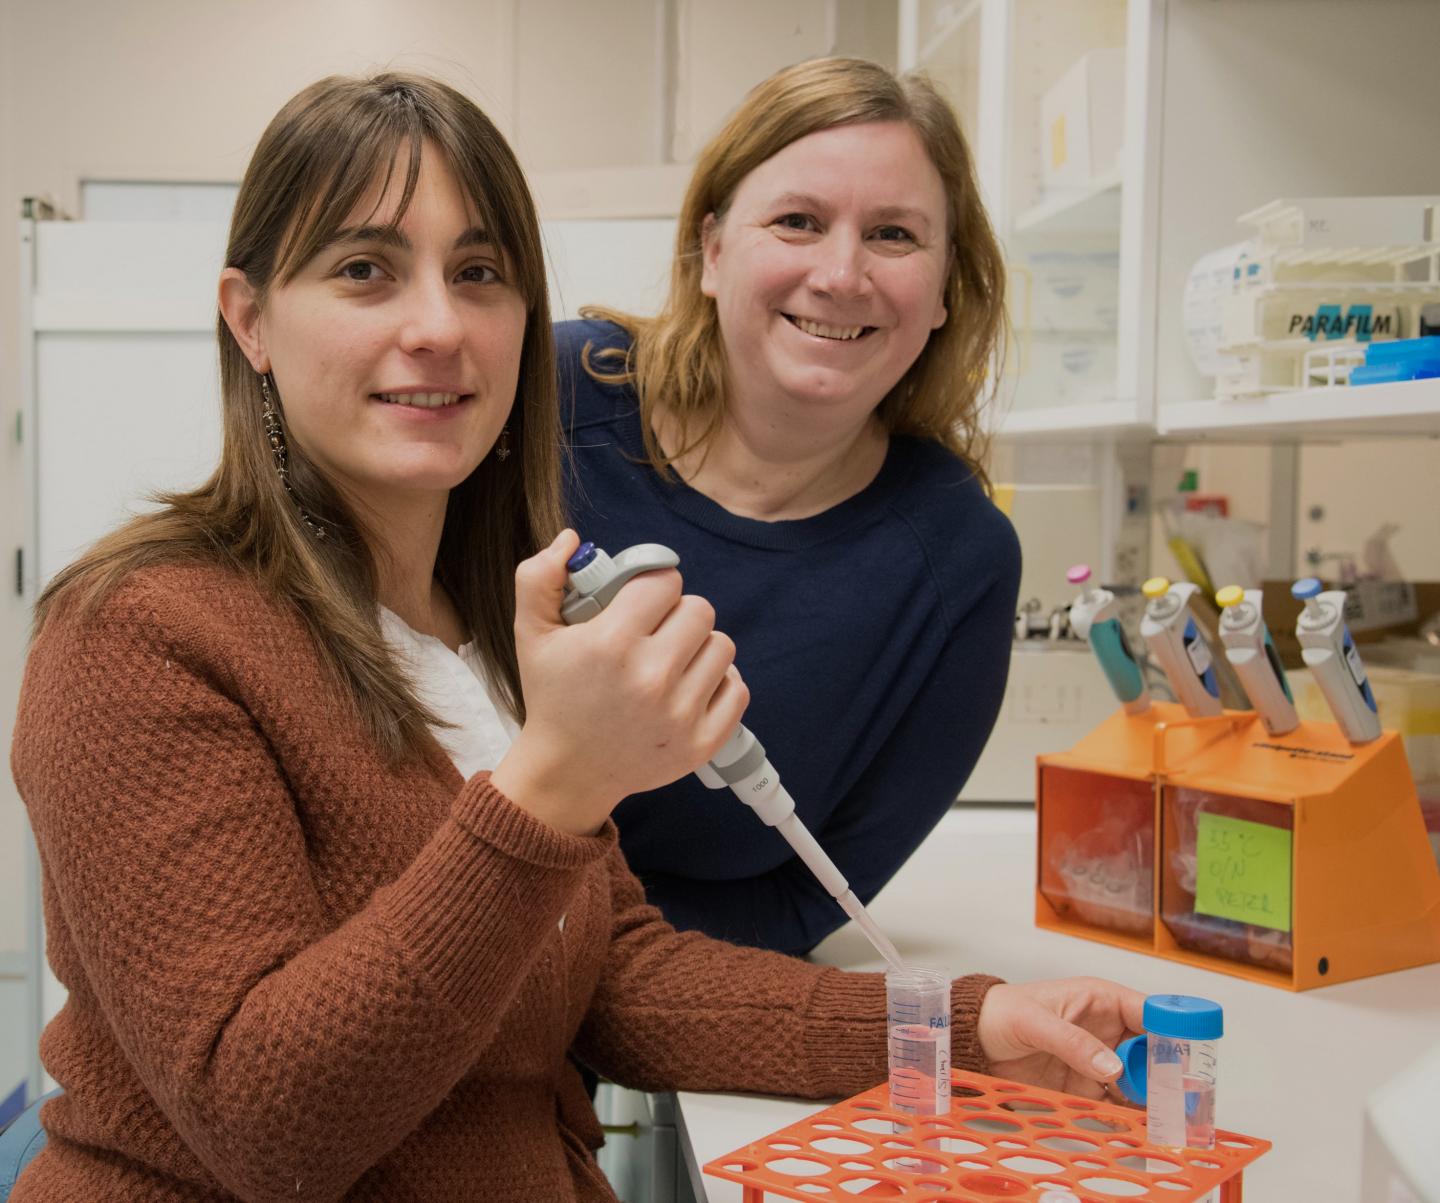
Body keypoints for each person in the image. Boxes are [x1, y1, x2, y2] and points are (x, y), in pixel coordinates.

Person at [12, 72, 1140, 1203]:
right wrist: (556, 782)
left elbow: (615, 975)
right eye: (364, 270)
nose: (438, 327)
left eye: (479, 274)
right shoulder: (138, 635)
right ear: (250, 317)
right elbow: (265, 1125)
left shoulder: (479, 621)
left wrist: (961, 1029)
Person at [561, 57, 1020, 956]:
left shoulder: (958, 561)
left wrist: (560, 944)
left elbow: (804, 903)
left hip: (670, 1007)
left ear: (944, 290)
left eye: (893, 234)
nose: (841, 274)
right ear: (713, 251)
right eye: (798, 221)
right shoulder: (549, 400)